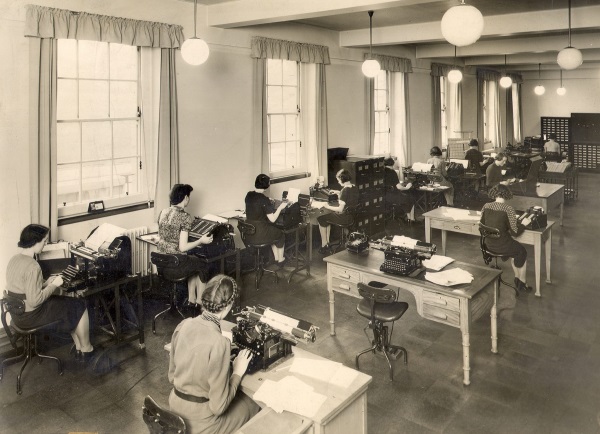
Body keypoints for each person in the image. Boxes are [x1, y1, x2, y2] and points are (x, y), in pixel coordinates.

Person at [168, 275, 260, 433]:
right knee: (253, 403)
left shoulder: (183, 325)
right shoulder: (220, 343)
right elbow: (218, 407)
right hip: (202, 423)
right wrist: (237, 372)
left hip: (175, 410)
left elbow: (172, 376)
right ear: (229, 305)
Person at [5, 224, 94, 360]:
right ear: (34, 242)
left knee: (68, 306)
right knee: (79, 305)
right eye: (44, 241)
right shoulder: (33, 266)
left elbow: (22, 288)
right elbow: (35, 301)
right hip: (31, 315)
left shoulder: (14, 259)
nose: (45, 245)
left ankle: (78, 347)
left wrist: (45, 283)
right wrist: (54, 285)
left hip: (18, 315)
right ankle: (86, 349)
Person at [158, 184, 214, 305]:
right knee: (202, 263)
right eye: (188, 197)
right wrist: (201, 241)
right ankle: (200, 301)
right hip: (176, 264)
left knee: (193, 261)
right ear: (185, 198)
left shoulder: (163, 212)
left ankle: (191, 299)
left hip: (162, 263)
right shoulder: (185, 217)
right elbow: (183, 247)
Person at [480, 184, 532, 292]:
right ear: (506, 194)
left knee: (515, 251)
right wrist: (524, 224)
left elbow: (482, 226)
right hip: (502, 245)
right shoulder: (508, 209)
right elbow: (515, 233)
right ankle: (522, 282)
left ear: (494, 193)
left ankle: (518, 279)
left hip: (489, 245)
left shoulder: (486, 206)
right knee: (521, 251)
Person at [244, 174, 286, 265]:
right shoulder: (264, 199)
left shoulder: (249, 195)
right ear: (266, 185)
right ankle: (281, 259)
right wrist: (280, 208)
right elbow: (272, 219)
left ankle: (276, 258)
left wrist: (267, 201)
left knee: (272, 232)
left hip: (249, 233)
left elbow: (255, 205)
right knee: (280, 234)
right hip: (261, 234)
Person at [317, 168, 359, 254]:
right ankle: (327, 243)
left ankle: (324, 245)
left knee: (321, 218)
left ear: (342, 179)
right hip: (351, 216)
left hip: (344, 217)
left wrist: (327, 206)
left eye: (338, 180)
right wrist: (338, 192)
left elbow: (340, 209)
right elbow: (348, 195)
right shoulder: (354, 187)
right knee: (327, 217)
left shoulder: (344, 191)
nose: (338, 182)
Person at [383, 157, 414, 222]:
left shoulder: (382, 171)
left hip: (384, 196)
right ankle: (411, 219)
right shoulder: (392, 172)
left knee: (405, 195)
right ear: (393, 164)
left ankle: (405, 215)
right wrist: (407, 187)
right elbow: (399, 187)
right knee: (410, 197)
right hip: (393, 197)